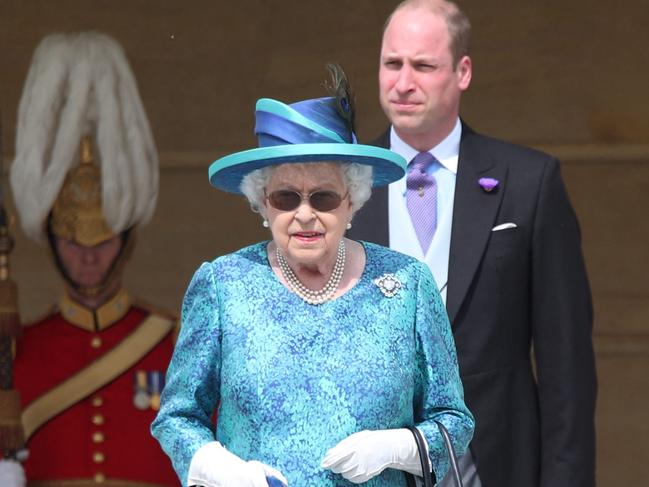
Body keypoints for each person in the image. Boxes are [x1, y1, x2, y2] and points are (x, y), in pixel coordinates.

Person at [151, 67, 474, 486]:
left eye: (323, 197)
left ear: (351, 202)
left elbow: (454, 421)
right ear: (263, 205)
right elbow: (177, 417)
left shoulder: (407, 284)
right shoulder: (223, 285)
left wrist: (401, 446)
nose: (305, 214)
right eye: (286, 198)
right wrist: (223, 470)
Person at [348, 1, 597, 486]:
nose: (402, 82)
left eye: (423, 66)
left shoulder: (530, 182)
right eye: (391, 63)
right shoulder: (341, 185)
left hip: (494, 462)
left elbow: (566, 368)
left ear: (462, 71)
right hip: (370, 466)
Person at [6, 32, 178, 487]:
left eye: (101, 241)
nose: (88, 256)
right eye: (72, 242)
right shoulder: (17, 352)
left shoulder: (173, 344)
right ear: (51, 240)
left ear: (126, 241)